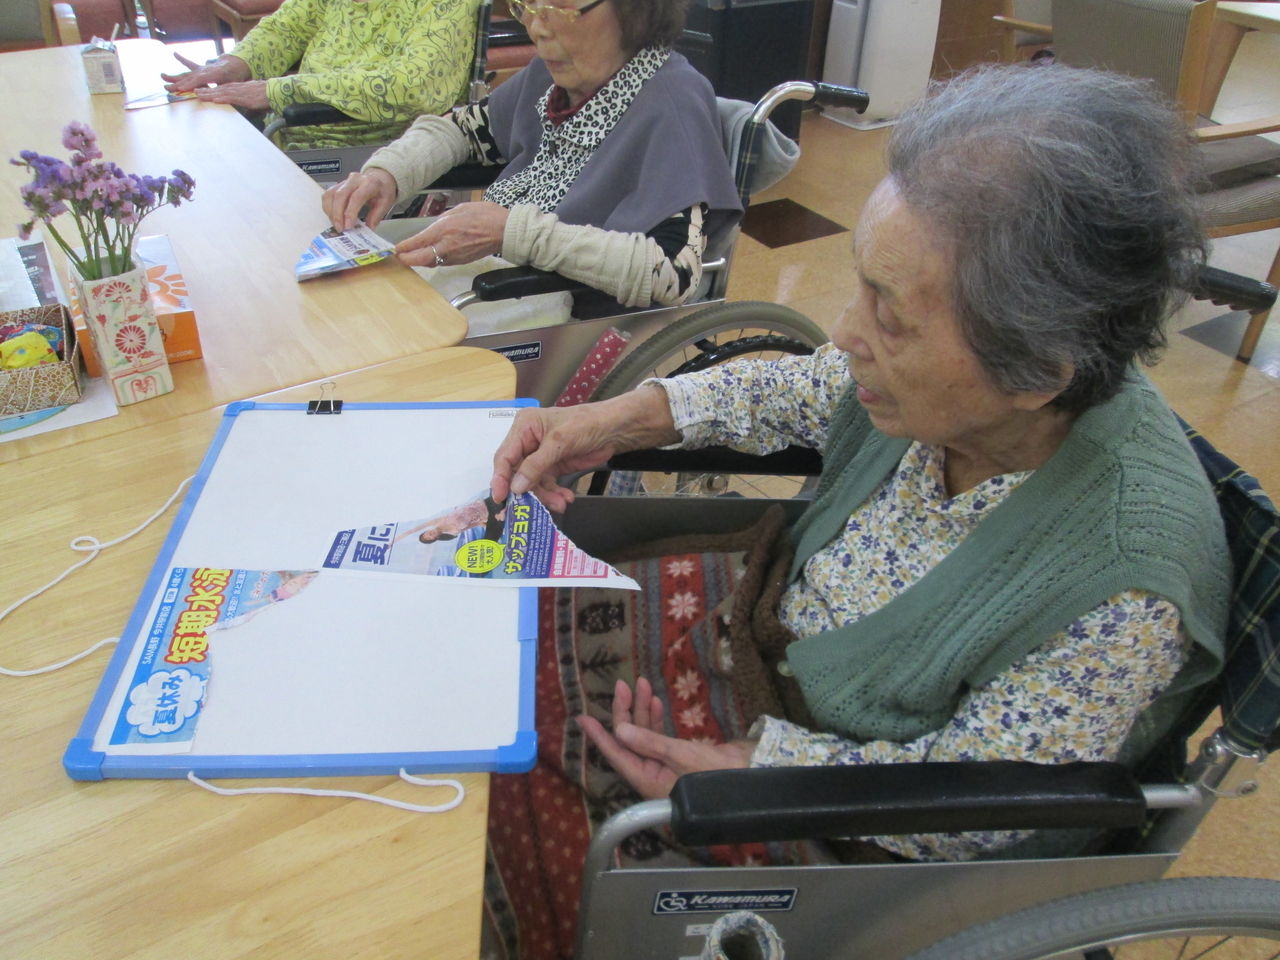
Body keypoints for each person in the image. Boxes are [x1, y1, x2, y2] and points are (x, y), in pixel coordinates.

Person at [479, 63, 1232, 959]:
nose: (845, 332)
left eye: (892, 316)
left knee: (506, 809)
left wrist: (757, 770)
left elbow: (974, 811)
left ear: (1036, 374)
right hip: (765, 637)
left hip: (858, 818)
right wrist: (612, 420)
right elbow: (797, 389)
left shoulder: (1125, 586)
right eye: (862, 285)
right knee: (494, 655)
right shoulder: (955, 392)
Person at [320, 0, 742, 328]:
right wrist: (388, 173)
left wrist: (510, 232)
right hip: (493, 277)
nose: (537, 27)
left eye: (560, 7)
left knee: (373, 330)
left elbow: (672, 274)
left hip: (563, 313)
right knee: (344, 297)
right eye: (528, 6)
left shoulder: (673, 103)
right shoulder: (555, 74)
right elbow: (462, 129)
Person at [160, 0, 478, 151]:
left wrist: (277, 91)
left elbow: (411, 88)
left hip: (371, 149)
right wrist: (233, 64)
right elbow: (286, 27)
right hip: (288, 131)